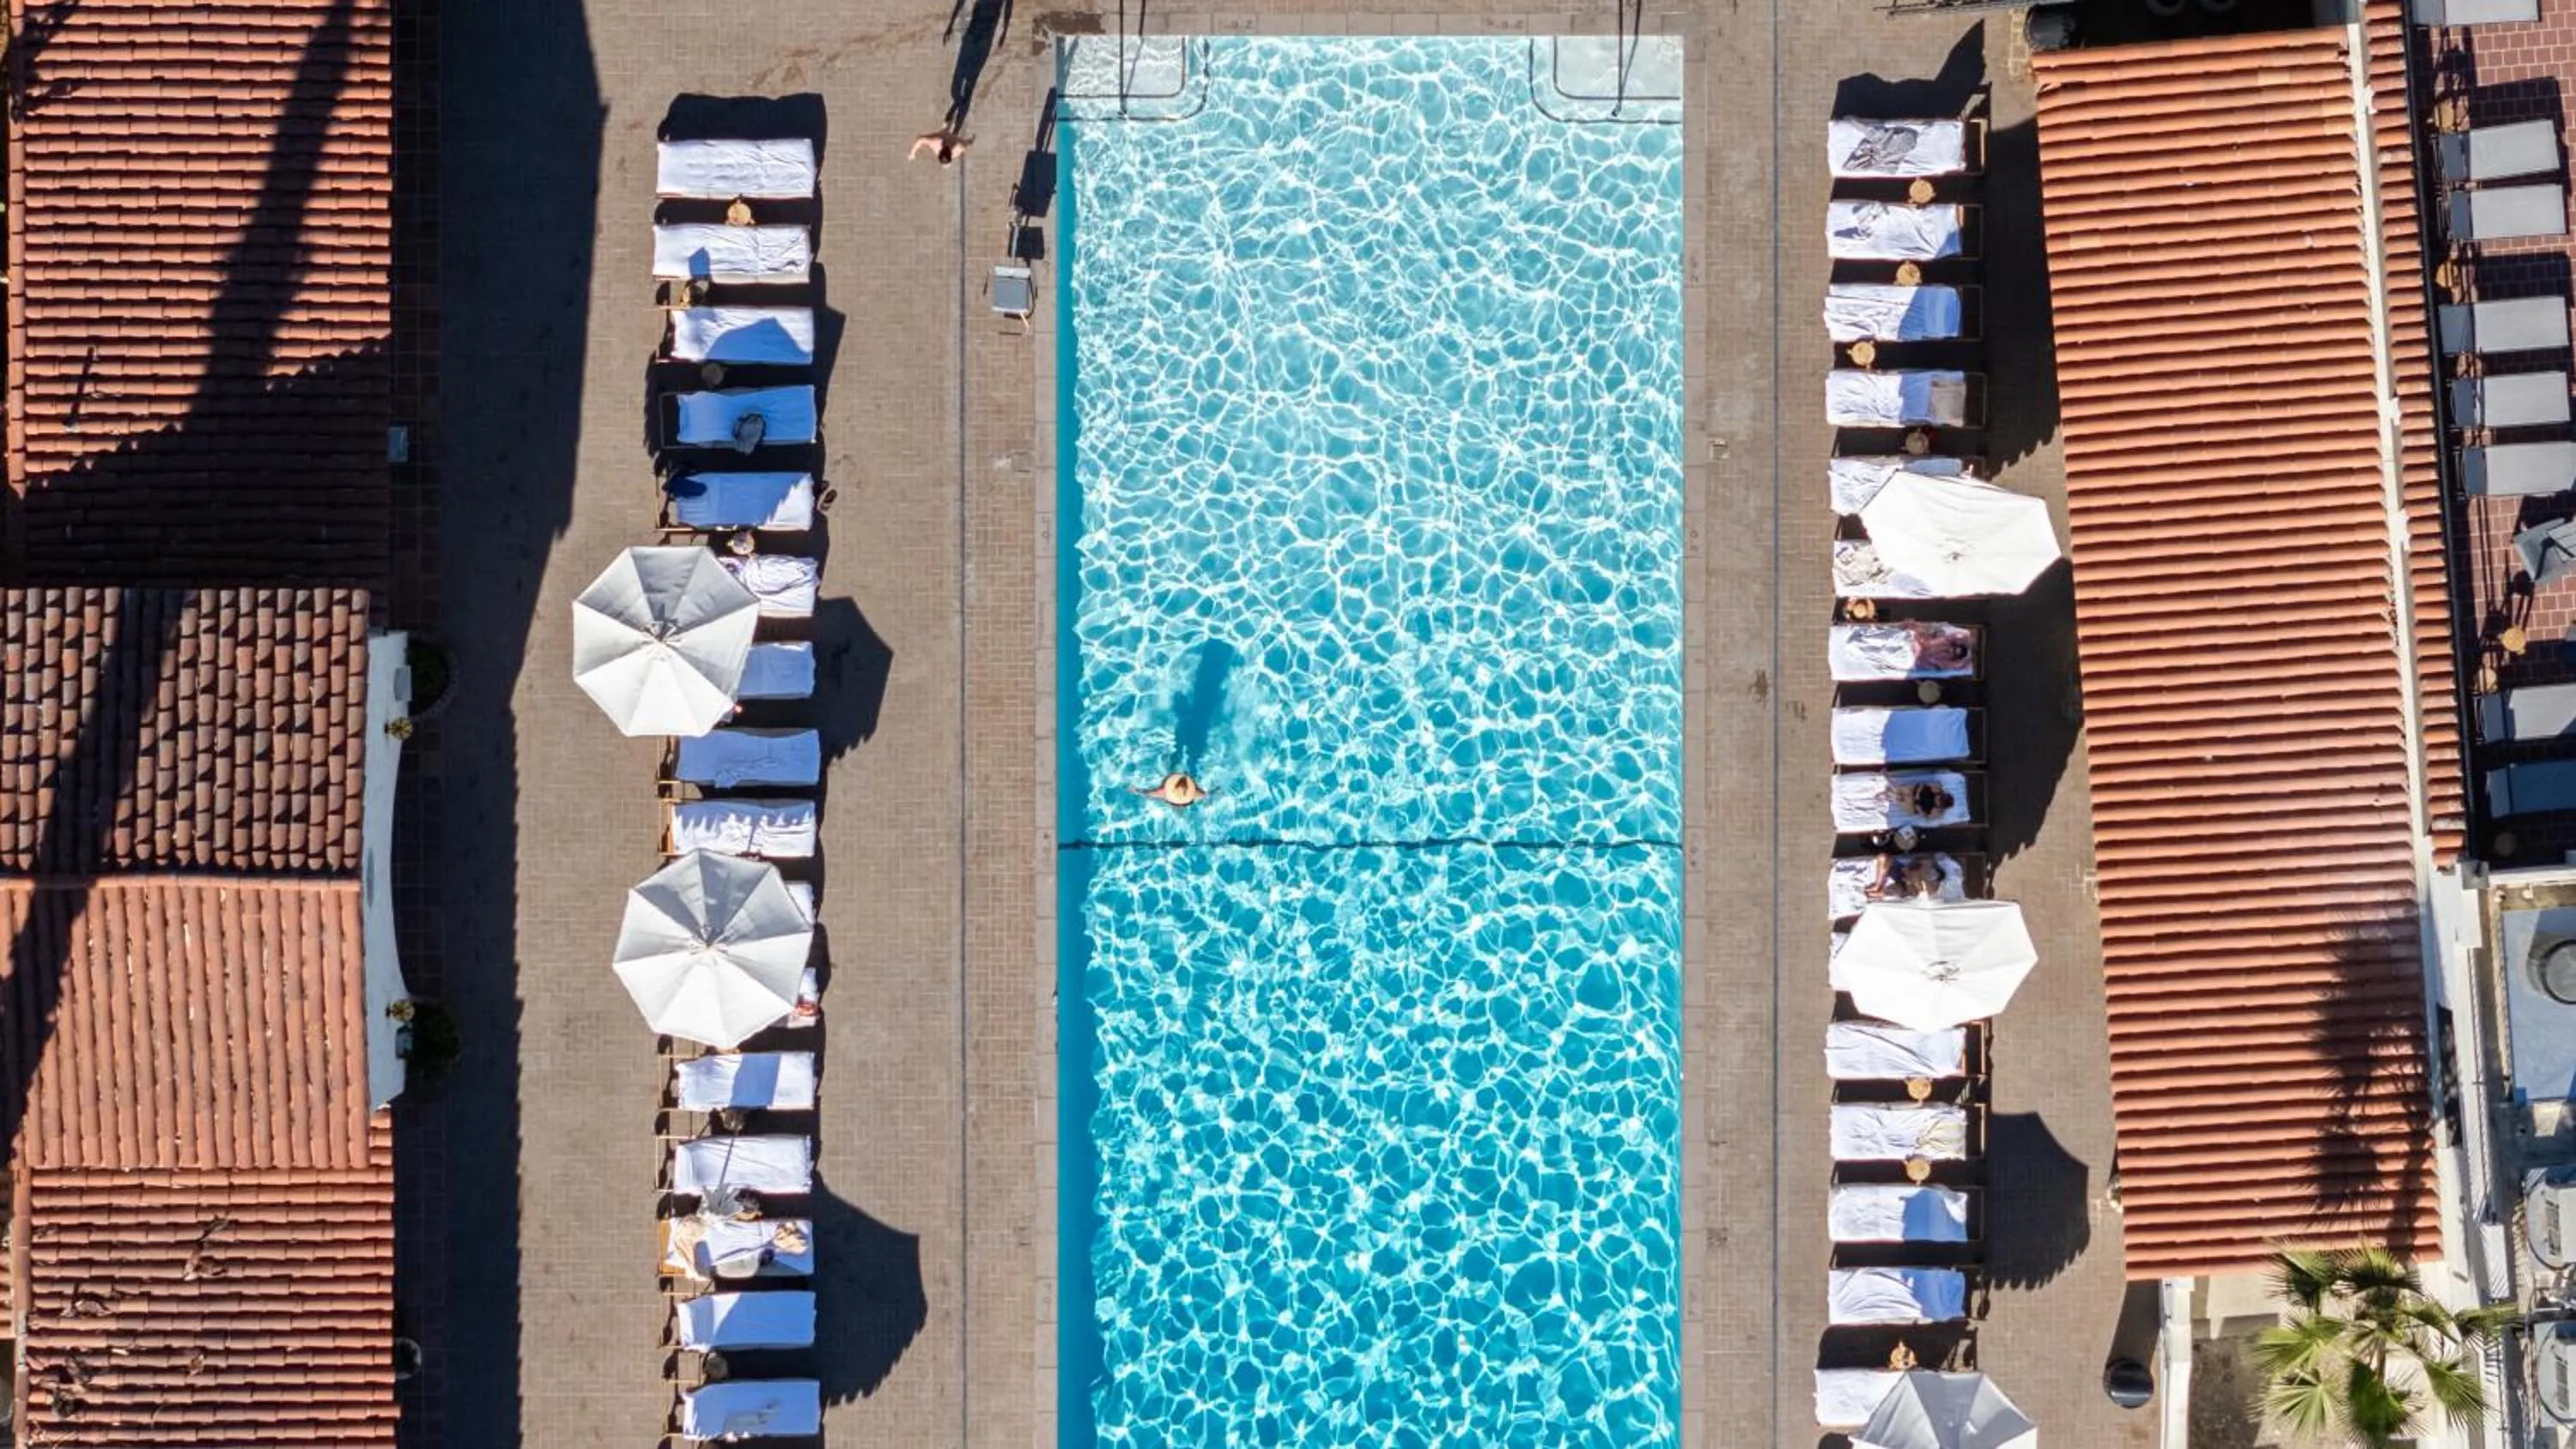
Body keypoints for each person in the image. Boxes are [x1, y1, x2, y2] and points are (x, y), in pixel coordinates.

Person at [1134, 773, 1211, 809]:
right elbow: (1208, 794)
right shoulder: (1195, 794)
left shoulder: (1163, 793)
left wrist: (1136, 790)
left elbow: (1146, 793)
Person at [909, 128, 974, 166]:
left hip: (944, 137)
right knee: (963, 144)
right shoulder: (955, 150)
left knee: (922, 138)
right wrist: (912, 153)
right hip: (944, 137)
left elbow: (921, 140)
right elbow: (921, 140)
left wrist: (912, 153)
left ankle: (969, 141)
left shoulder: (937, 143)